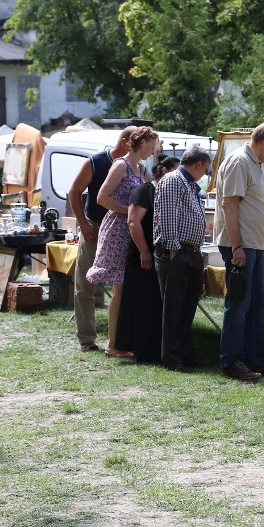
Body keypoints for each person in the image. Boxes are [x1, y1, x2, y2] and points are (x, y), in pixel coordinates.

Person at [213, 122, 264, 382]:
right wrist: (237, 247)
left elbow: (253, 205)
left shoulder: (255, 163)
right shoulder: (238, 162)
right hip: (240, 246)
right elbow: (229, 206)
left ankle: (255, 360)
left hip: (253, 244)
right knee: (239, 303)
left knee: (255, 304)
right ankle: (230, 362)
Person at [87, 126, 157, 358]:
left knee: (127, 287)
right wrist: (127, 211)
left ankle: (124, 339)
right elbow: (101, 198)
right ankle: (113, 342)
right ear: (142, 142)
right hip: (118, 229)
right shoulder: (120, 165)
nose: (154, 148)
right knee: (119, 287)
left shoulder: (141, 168)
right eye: (152, 143)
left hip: (132, 229)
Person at [68, 126, 136, 352]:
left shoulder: (134, 166)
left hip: (120, 231)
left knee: (121, 286)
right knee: (85, 286)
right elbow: (74, 191)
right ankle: (87, 339)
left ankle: (119, 338)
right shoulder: (96, 162)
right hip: (94, 228)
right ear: (127, 141)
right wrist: (84, 224)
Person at [114, 154, 181, 362]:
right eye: (175, 171)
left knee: (156, 302)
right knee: (142, 302)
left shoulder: (168, 193)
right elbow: (133, 222)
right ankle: (141, 349)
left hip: (160, 254)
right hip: (143, 255)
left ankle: (157, 347)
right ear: (164, 171)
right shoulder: (145, 191)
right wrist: (144, 251)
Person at [153, 146, 212, 371]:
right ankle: (172, 358)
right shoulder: (173, 180)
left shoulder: (188, 184)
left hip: (191, 252)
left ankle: (185, 355)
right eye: (205, 168)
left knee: (187, 307)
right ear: (198, 164)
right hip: (177, 252)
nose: (204, 173)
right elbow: (168, 216)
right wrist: (174, 249)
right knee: (174, 308)